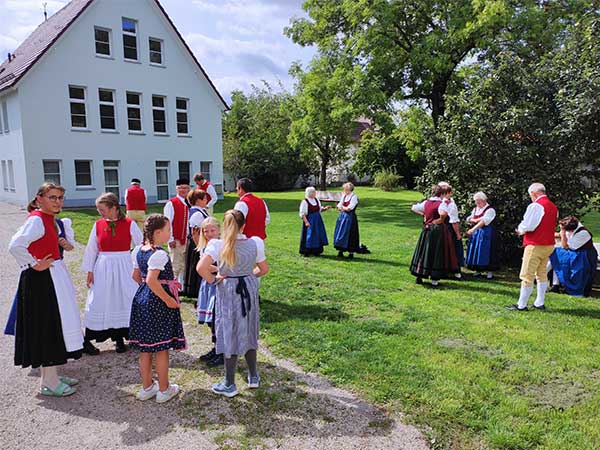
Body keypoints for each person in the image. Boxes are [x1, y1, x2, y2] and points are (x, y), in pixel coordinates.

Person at [8, 182, 83, 397]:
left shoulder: (49, 219)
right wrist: (33, 263)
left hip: (52, 276)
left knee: (56, 323)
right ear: (39, 198)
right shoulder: (37, 220)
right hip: (42, 280)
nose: (57, 201)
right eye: (52, 197)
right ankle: (48, 381)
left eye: (60, 197)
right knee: (48, 325)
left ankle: (53, 375)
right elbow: (15, 245)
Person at [197, 209, 269, 398]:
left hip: (228, 291)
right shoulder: (255, 242)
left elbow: (201, 267)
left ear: (225, 226)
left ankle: (229, 383)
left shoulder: (217, 244)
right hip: (248, 290)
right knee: (249, 328)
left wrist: (215, 280)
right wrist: (247, 275)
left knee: (229, 331)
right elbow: (263, 269)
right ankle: (253, 375)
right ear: (244, 225)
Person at [129, 214, 186, 403]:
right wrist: (168, 299)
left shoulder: (138, 250)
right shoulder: (159, 254)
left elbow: (136, 276)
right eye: (168, 230)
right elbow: (153, 280)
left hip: (142, 298)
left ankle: (147, 387)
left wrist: (145, 290)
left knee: (146, 348)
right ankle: (164, 389)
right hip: (158, 302)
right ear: (158, 232)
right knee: (161, 348)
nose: (170, 234)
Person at [82, 193, 143, 355]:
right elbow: (91, 249)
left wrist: (139, 267)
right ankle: (99, 339)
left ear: (114, 208)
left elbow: (141, 245)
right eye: (98, 209)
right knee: (102, 299)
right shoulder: (98, 224)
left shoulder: (129, 223)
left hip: (124, 264)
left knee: (126, 298)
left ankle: (125, 337)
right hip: (103, 265)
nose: (99, 212)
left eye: (102, 209)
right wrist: (90, 270)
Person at [5, 214, 75, 336]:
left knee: (64, 306)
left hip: (58, 268)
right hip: (38, 270)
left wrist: (65, 244)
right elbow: (17, 246)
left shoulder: (62, 223)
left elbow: (70, 247)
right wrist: (34, 263)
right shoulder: (34, 224)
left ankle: (70, 338)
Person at [507, 183, 558, 311]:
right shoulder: (553, 206)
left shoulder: (536, 206)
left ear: (534, 194)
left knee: (526, 275)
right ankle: (539, 302)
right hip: (549, 244)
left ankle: (521, 304)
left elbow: (529, 225)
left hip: (535, 244)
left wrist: (520, 230)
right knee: (541, 273)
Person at [410, 185, 459, 286]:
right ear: (442, 194)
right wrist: (441, 219)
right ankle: (434, 279)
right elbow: (442, 213)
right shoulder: (442, 203)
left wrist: (424, 215)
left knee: (424, 251)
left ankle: (419, 275)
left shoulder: (426, 202)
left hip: (426, 229)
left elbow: (414, 207)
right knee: (436, 253)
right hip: (437, 230)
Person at [195, 216, 223, 367]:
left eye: (212, 230)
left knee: (217, 319)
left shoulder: (222, 246)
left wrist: (215, 269)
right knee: (210, 320)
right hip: (208, 285)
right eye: (206, 231)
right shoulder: (205, 248)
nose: (209, 233)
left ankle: (222, 350)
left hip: (218, 284)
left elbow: (229, 268)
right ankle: (216, 346)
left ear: (219, 230)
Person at [548, 216, 597, 296]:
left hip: (583, 256)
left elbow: (565, 246)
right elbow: (562, 235)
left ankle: (548, 282)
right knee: (554, 254)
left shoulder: (583, 233)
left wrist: (562, 231)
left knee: (556, 255)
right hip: (574, 252)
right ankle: (554, 285)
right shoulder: (572, 227)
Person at [181, 189, 209, 298]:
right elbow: (195, 233)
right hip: (196, 243)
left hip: (197, 242)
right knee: (196, 266)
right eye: (204, 198)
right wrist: (200, 247)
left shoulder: (198, 211)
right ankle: (194, 290)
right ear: (198, 200)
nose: (206, 200)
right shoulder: (197, 214)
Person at [465, 191, 500, 279]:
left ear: (484, 200)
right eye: (476, 202)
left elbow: (484, 221)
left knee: (488, 251)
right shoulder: (476, 209)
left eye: (478, 201)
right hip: (477, 232)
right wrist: (474, 220)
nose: (477, 203)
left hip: (487, 233)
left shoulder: (490, 210)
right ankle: (478, 269)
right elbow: (470, 218)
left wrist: (473, 227)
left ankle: (489, 271)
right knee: (477, 250)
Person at [163, 179, 191, 284]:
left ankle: (182, 286)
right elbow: (167, 222)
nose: (183, 190)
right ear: (177, 189)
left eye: (185, 188)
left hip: (187, 239)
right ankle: (172, 287)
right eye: (181, 188)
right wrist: (170, 238)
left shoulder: (189, 202)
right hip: (176, 239)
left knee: (184, 265)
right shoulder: (172, 203)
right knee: (175, 265)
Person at [439, 182, 464, 278]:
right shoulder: (449, 204)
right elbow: (454, 221)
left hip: (440, 228)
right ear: (448, 192)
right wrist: (458, 233)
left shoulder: (437, 202)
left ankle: (443, 269)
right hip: (449, 229)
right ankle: (456, 271)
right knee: (454, 249)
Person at [299, 186, 331, 256]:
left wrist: (325, 208)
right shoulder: (305, 201)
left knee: (317, 234)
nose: (315, 193)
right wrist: (306, 222)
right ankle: (306, 251)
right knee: (309, 235)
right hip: (310, 220)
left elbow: (319, 209)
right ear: (309, 193)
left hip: (317, 220)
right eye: (313, 192)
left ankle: (316, 250)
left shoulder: (316, 200)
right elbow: (302, 213)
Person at [333, 182, 360, 258]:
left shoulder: (354, 197)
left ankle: (351, 253)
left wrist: (342, 208)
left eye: (346, 190)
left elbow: (349, 208)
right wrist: (341, 207)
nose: (345, 191)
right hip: (342, 217)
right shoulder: (344, 196)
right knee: (340, 233)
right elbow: (339, 205)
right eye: (345, 189)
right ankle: (340, 251)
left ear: (350, 189)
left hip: (350, 218)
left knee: (350, 234)